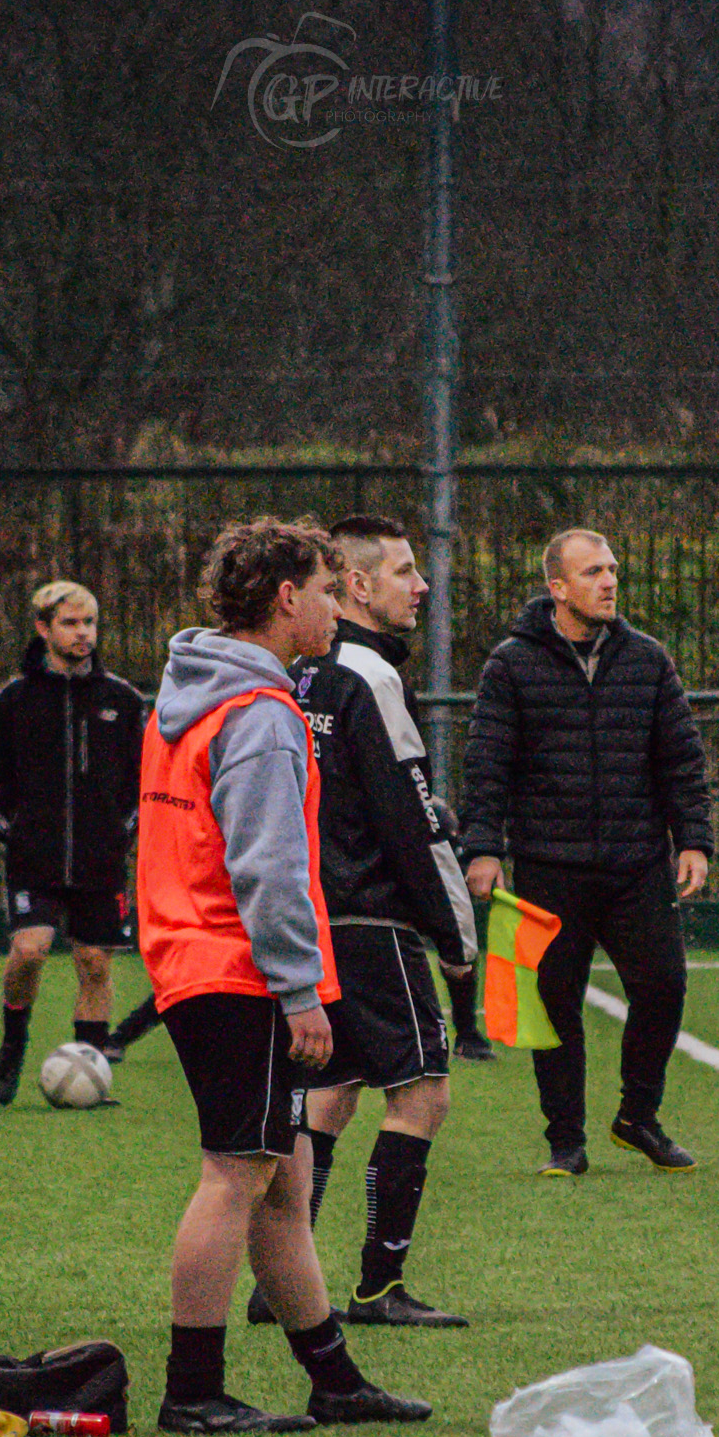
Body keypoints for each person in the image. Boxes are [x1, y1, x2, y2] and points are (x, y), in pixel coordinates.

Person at [139, 517, 429, 1434]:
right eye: (325, 585)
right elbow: (264, 863)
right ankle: (192, 1390)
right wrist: (300, 988)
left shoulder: (188, 695)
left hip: (194, 954)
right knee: (237, 1172)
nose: (339, 602)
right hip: (236, 968)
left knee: (286, 1178)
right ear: (284, 601)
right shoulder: (262, 712)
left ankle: (334, 1377)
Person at [252, 514, 479, 1329]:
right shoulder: (369, 677)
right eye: (405, 571)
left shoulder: (300, 672)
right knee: (422, 1094)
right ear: (356, 585)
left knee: (331, 1091)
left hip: (312, 915)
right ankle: (379, 1287)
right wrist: (456, 938)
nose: (420, 587)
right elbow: (408, 818)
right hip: (371, 918)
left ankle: (279, 1280)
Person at [460, 528, 713, 1176]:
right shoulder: (510, 664)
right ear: (557, 588)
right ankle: (565, 1141)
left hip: (637, 864)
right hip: (547, 865)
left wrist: (694, 840)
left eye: (613, 569)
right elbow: (488, 765)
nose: (609, 581)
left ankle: (638, 1116)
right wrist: (484, 848)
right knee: (549, 1005)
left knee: (664, 984)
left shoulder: (648, 660)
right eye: (593, 571)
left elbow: (680, 759)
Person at [0, 581, 149, 1103]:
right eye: (71, 624)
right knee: (30, 951)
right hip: (34, 860)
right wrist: (17, 833)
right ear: (43, 628)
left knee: (95, 962)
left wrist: (122, 831)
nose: (83, 634)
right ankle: (13, 1044)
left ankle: (91, 1072)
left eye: (90, 623)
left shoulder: (122, 699)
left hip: (102, 860)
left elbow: (143, 780)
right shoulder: (14, 699)